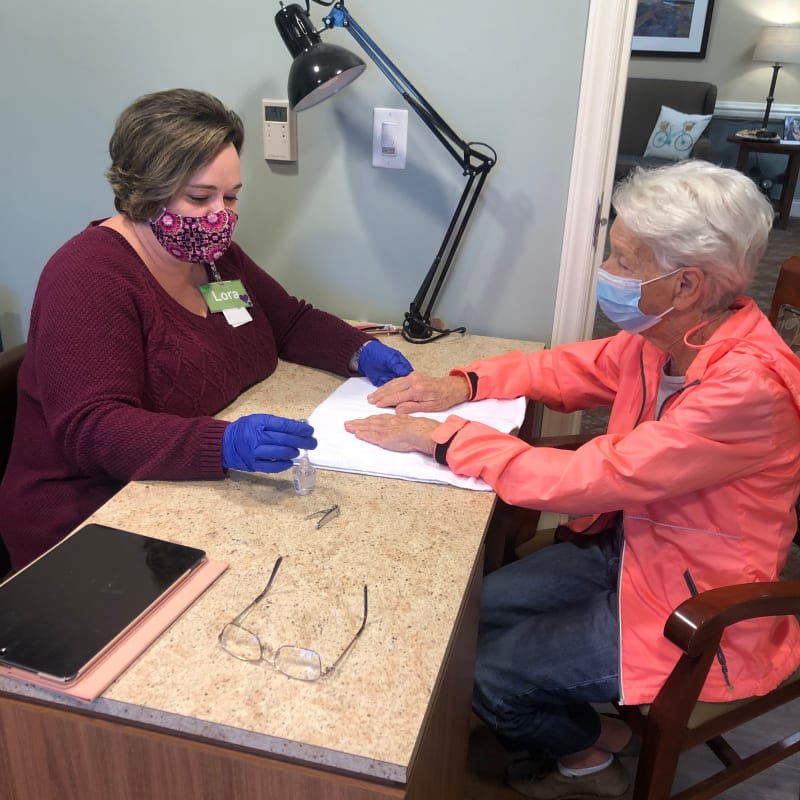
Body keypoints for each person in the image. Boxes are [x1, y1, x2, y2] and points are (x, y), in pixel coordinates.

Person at [344, 160, 800, 799]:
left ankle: (590, 749)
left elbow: (597, 477)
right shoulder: (672, 337)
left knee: (485, 673)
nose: (606, 273)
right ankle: (577, 722)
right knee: (464, 618)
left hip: (695, 601)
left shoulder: (745, 386)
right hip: (633, 548)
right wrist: (466, 382)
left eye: (622, 259)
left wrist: (447, 438)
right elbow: (572, 369)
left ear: (686, 285)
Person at [0, 88, 412, 571]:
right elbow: (94, 429)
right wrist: (223, 444)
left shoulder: (212, 258)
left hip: (191, 497)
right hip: (91, 522)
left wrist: (358, 353)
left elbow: (289, 321)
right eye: (200, 197)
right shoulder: (87, 276)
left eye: (232, 195)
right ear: (145, 191)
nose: (222, 214)